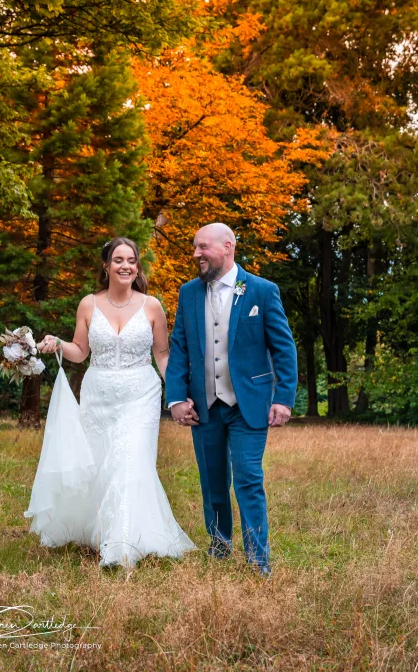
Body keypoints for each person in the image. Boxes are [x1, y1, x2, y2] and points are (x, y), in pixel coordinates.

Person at [29, 237, 197, 569]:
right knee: (102, 462)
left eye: (131, 260)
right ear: (106, 266)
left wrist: (177, 392)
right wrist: (58, 343)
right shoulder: (89, 304)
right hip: (98, 393)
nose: (126, 266)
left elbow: (162, 355)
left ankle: (121, 545)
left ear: (137, 266)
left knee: (130, 458)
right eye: (118, 260)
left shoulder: (152, 306)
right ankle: (101, 529)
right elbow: (80, 351)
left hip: (141, 393)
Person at [165, 223, 298, 577]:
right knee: (212, 482)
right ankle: (220, 547)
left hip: (248, 405)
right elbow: (179, 347)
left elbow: (284, 349)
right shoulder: (189, 293)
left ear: (227, 247)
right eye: (195, 247)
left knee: (248, 479)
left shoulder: (261, 291)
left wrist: (283, 399)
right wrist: (176, 397)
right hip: (204, 406)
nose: (196, 254)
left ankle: (258, 558)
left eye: (202, 247)